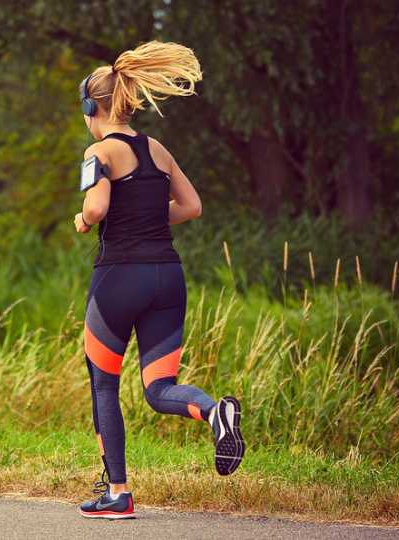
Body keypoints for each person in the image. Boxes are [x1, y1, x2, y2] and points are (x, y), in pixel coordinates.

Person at [73, 40, 244, 520]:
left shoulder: (98, 151)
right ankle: (213, 412)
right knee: (159, 388)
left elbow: (97, 207)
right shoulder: (157, 149)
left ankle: (118, 494)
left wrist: (84, 220)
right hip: (168, 279)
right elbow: (192, 207)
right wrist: (145, 216)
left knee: (104, 385)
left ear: (91, 107)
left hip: (119, 280)